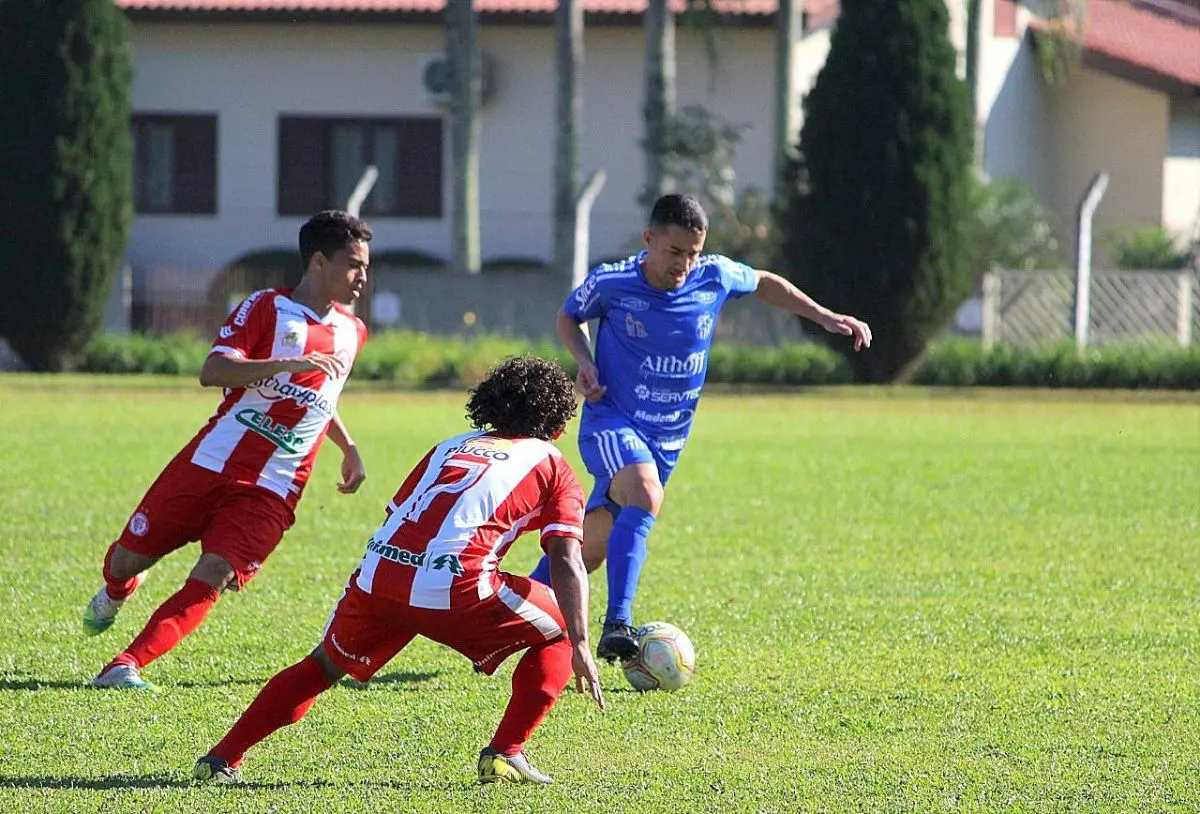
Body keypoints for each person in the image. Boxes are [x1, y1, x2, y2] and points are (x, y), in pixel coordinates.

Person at [192, 356, 604, 786]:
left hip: (378, 576)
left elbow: (402, 515)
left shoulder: (451, 446)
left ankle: (221, 757)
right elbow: (566, 558)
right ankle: (505, 752)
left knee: (322, 666)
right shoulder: (552, 463)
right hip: (456, 587)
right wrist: (580, 642)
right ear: (557, 426)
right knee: (557, 629)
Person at [528, 193, 873, 662]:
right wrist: (585, 362)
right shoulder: (613, 283)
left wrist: (825, 316)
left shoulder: (714, 275)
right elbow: (569, 316)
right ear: (649, 240)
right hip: (612, 422)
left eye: (693, 252)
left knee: (589, 549)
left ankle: (507, 610)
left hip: (668, 439)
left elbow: (765, 283)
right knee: (646, 493)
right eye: (674, 252)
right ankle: (618, 624)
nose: (684, 264)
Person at [83, 210, 374, 691]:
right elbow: (213, 369)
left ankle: (126, 664)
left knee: (215, 573)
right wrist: (288, 362)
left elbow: (321, 400)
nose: (362, 275)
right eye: (353, 264)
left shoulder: (353, 331)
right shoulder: (267, 307)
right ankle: (119, 588)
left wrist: (349, 446)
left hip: (277, 486)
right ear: (319, 262)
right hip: (210, 462)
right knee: (126, 560)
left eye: (366, 265)